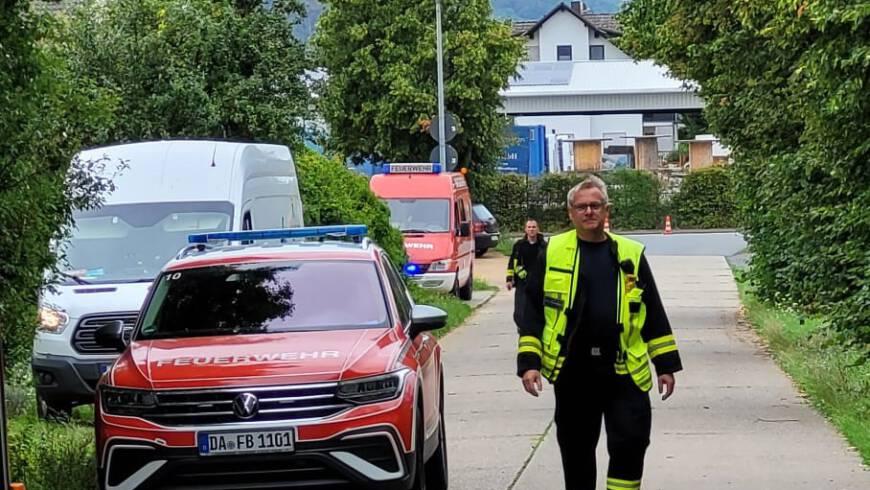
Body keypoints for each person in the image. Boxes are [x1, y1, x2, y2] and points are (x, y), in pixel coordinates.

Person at [517, 176, 683, 490]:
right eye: (582, 207)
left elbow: (653, 312)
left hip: (624, 372)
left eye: (595, 205)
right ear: (570, 213)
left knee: (631, 442)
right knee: (576, 450)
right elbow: (533, 312)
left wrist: (666, 366)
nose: (589, 211)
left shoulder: (630, 255)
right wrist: (529, 363)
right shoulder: (552, 253)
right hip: (574, 372)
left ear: (606, 209)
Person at [506, 220, 547, 331]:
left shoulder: (544, 246)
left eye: (534, 227)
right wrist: (509, 279)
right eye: (529, 227)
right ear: (525, 229)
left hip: (539, 283)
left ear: (538, 229)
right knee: (520, 309)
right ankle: (522, 327)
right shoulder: (519, 245)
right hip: (522, 282)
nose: (531, 229)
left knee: (538, 308)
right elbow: (512, 262)